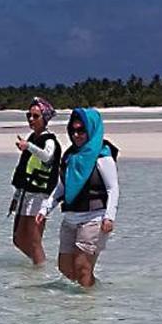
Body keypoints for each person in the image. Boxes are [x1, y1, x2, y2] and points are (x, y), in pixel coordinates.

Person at [38, 107, 118, 288]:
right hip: (70, 219)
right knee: (66, 268)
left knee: (82, 268)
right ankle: (92, 291)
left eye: (81, 130)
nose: (76, 135)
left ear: (91, 130)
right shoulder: (70, 156)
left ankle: (86, 308)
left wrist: (109, 217)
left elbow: (113, 188)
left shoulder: (102, 156)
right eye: (73, 130)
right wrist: (45, 208)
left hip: (93, 218)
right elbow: (61, 186)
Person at [9, 97, 62, 265]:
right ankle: (39, 265)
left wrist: (28, 147)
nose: (31, 119)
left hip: (40, 195)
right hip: (26, 193)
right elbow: (25, 170)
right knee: (18, 239)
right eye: (29, 116)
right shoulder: (31, 138)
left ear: (45, 118)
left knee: (34, 239)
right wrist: (16, 197)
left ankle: (40, 271)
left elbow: (47, 156)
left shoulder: (49, 140)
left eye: (36, 116)